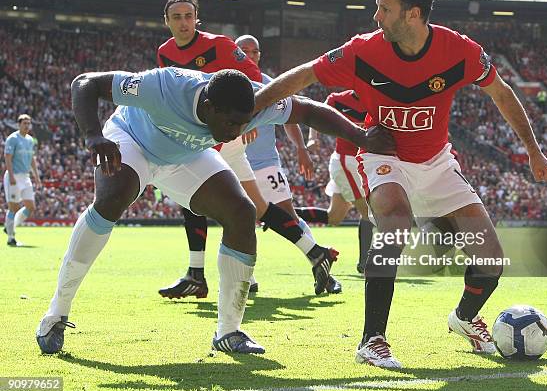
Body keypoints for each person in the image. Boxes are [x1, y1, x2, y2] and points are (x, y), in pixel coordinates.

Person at [254, 0, 547, 368]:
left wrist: (533, 151)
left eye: (384, 8)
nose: (376, 16)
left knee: (490, 259)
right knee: (394, 221)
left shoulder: (460, 51)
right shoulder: (362, 50)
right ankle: (371, 340)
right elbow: (306, 75)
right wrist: (251, 108)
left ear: (413, 14)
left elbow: (501, 93)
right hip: (384, 155)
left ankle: (463, 319)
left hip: (436, 161)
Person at [35, 67, 393, 355]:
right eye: (230, 125)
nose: (237, 132)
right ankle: (56, 313)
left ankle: (229, 332)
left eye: (243, 123)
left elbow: (310, 111)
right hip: (134, 140)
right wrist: (92, 135)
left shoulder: (255, 101)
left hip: (185, 154)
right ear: (207, 106)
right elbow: (85, 83)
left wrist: (361, 137)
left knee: (242, 212)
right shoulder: (165, 86)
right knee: (114, 197)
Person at [156, 0, 262, 300]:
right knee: (203, 201)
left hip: (221, 133)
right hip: (192, 132)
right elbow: (170, 91)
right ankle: (200, 275)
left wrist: (247, 119)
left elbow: (254, 76)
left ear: (196, 18)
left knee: (220, 202)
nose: (184, 22)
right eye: (177, 17)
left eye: (188, 16)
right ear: (167, 21)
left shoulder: (220, 46)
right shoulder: (164, 52)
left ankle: (209, 275)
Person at [236, 34, 342, 294]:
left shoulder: (270, 85)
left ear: (259, 56)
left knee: (288, 216)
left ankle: (322, 269)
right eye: (243, 51)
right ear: (234, 53)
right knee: (237, 219)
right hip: (233, 162)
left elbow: (290, 117)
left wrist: (301, 149)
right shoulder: (223, 83)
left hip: (265, 163)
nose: (249, 55)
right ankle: (245, 280)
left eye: (254, 51)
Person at [295, 90, 374, 274]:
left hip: (357, 161)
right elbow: (316, 114)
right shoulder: (337, 100)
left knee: (334, 217)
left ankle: (282, 214)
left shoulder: (377, 99)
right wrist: (313, 138)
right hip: (347, 161)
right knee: (367, 211)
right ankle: (364, 264)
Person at [3, 114, 41, 246]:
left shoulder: (30, 140)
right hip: (14, 176)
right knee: (13, 207)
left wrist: (36, 176)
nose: (27, 126)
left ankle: (9, 227)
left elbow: (31, 159)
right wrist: (12, 176)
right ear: (19, 125)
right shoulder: (12, 139)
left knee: (30, 207)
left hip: (25, 177)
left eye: (28, 123)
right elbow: (7, 158)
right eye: (24, 123)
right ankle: (10, 238)